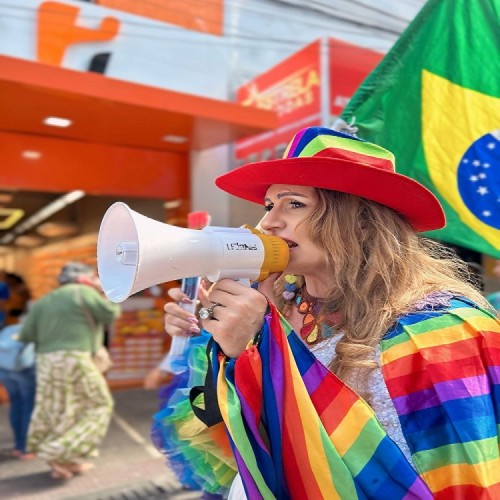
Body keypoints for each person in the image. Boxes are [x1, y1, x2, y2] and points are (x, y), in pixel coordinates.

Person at [158, 127, 500, 498]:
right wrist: (212, 337)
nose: (269, 223)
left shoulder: (440, 329)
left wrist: (258, 347)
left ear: (362, 220)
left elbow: (452, 479)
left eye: (294, 204)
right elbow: (243, 448)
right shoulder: (274, 306)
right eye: (269, 205)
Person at [19, 261, 120, 480]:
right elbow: (111, 313)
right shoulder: (83, 292)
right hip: (75, 358)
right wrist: (102, 291)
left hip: (46, 361)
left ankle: (63, 463)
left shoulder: (43, 301)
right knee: (99, 404)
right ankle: (58, 450)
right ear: (84, 278)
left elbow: (27, 335)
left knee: (60, 409)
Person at [0, 322, 36, 460]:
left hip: (4, 369)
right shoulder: (30, 327)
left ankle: (18, 446)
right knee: (28, 406)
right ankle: (26, 448)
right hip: (23, 369)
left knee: (16, 405)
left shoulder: (8, 329)